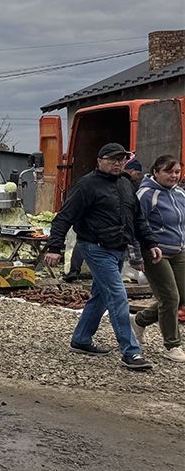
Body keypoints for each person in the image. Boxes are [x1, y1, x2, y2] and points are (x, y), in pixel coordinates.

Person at [46, 143, 160, 371]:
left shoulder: (126, 184)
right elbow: (64, 217)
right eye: (112, 159)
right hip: (95, 247)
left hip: (118, 248)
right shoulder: (86, 185)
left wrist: (150, 243)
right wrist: (54, 247)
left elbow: (137, 219)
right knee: (118, 296)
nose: (118, 163)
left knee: (100, 296)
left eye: (121, 159)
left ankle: (81, 339)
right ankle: (131, 352)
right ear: (100, 161)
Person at [133, 155, 185, 363]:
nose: (174, 176)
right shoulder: (146, 194)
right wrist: (137, 254)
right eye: (168, 171)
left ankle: (139, 320)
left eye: (177, 172)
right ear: (156, 172)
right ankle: (172, 345)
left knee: (182, 296)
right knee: (170, 297)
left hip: (179, 250)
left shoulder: (180, 193)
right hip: (155, 252)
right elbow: (136, 224)